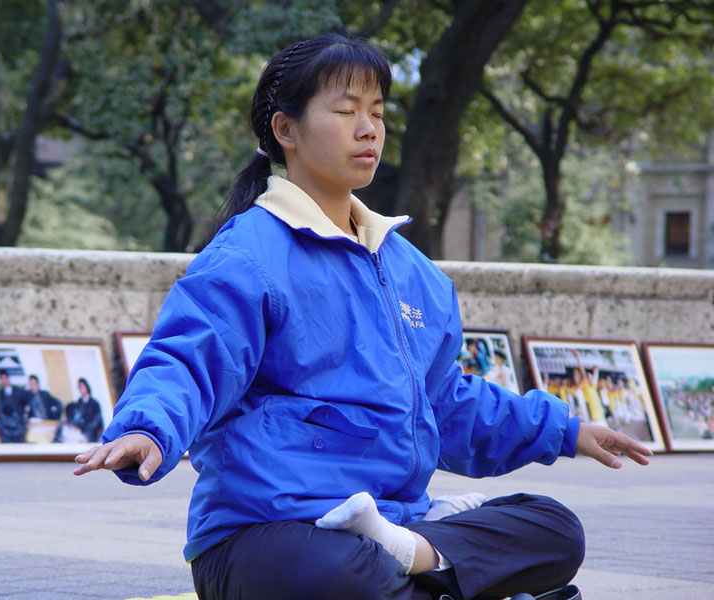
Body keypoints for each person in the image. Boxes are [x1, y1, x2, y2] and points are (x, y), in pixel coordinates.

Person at [74, 33, 651, 600]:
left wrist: (564, 431)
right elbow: (188, 357)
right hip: (268, 534)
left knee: (555, 529)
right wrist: (147, 428)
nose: (369, 128)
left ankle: (414, 556)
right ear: (286, 130)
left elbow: (445, 402)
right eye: (346, 110)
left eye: (376, 111)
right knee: (336, 574)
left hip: (396, 523)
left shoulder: (413, 271)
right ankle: (441, 571)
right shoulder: (247, 255)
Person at [64, 378, 103, 442]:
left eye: (83, 386)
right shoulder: (78, 404)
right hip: (81, 434)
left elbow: (96, 421)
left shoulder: (94, 403)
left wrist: (87, 434)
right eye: (80, 387)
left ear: (86, 386)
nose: (82, 389)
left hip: (92, 434)